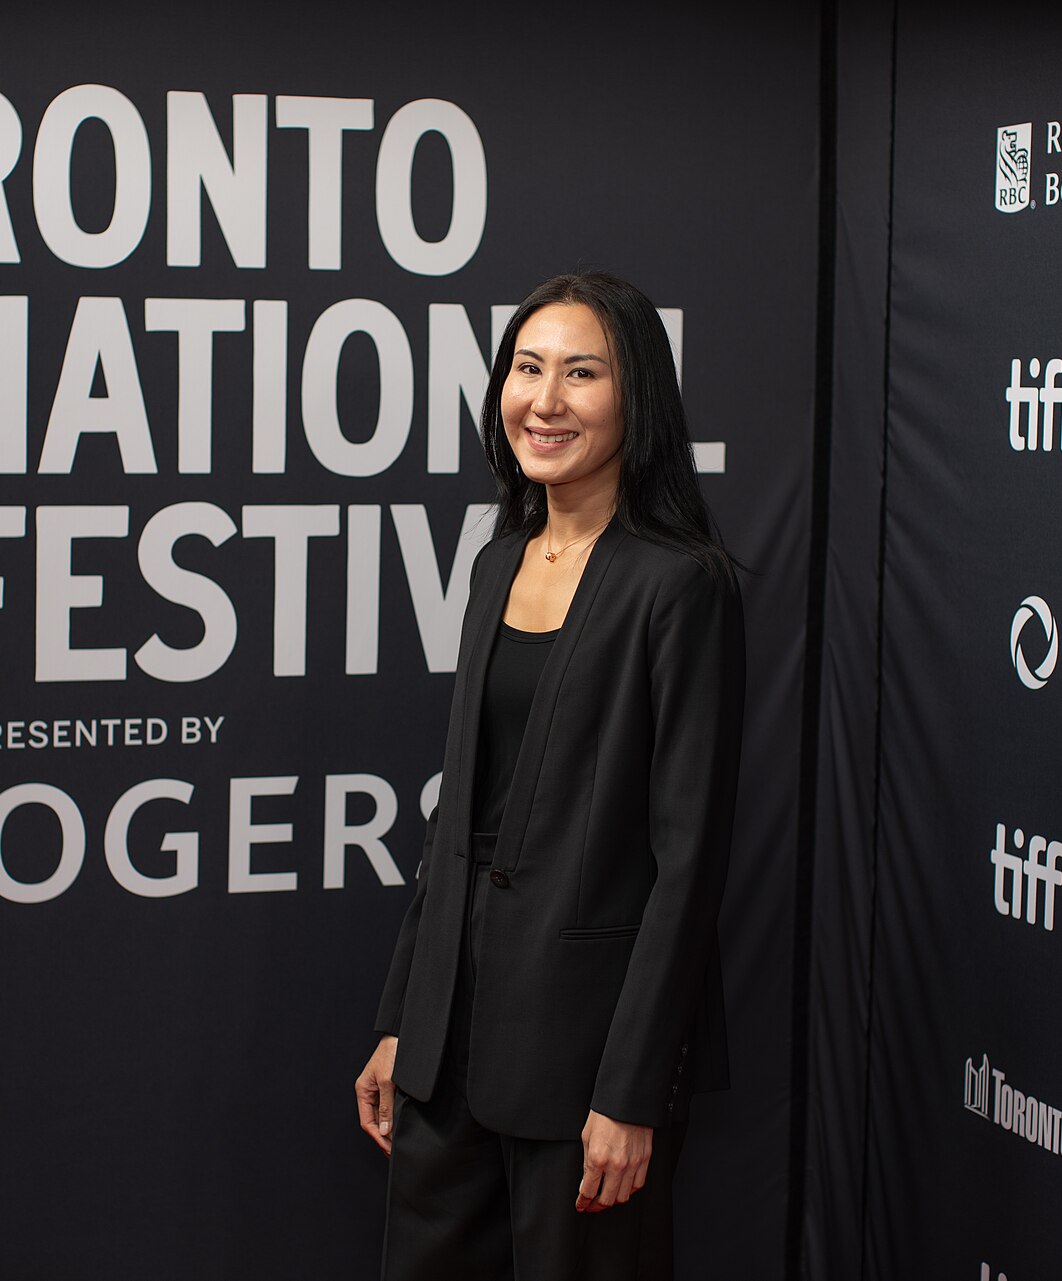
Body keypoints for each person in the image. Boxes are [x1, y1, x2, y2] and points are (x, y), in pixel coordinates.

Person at [354, 271, 746, 1280]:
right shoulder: (498, 561)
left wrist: (632, 1089)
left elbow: (688, 863)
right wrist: (405, 1019)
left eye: (582, 373)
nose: (545, 400)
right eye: (527, 369)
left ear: (636, 396)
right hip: (451, 1039)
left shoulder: (680, 584)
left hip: (583, 1057)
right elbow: (457, 819)